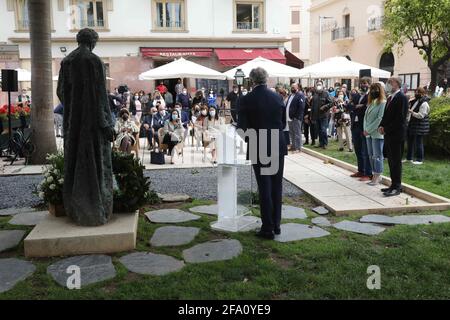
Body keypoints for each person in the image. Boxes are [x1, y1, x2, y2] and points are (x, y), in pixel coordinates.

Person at [57, 28, 115, 226]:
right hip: (92, 124)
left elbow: (61, 93)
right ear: (92, 41)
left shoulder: (66, 61)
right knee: (95, 163)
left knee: (74, 162)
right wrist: (106, 123)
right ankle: (95, 211)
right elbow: (100, 96)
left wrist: (75, 107)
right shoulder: (93, 61)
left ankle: (76, 210)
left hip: (73, 123)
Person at [238, 67, 287, 240]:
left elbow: (242, 129)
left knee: (264, 186)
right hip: (276, 142)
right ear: (266, 78)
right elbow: (282, 122)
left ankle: (267, 228)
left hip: (258, 143)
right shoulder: (278, 97)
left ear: (252, 80)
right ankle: (276, 225)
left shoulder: (246, 99)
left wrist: (250, 139)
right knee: (276, 185)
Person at [378, 76, 409, 197]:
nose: (388, 84)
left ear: (397, 84)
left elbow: (400, 119)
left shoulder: (402, 98)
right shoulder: (391, 97)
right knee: (391, 161)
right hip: (389, 134)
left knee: (396, 161)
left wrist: (386, 128)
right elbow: (386, 115)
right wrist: (381, 125)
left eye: (390, 82)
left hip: (396, 134)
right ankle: (393, 184)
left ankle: (397, 186)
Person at [348, 77, 373, 181]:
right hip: (355, 125)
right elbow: (349, 106)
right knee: (358, 149)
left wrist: (359, 106)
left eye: (365, 83)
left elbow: (368, 107)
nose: (363, 85)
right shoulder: (356, 95)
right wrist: (356, 106)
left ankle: (368, 173)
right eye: (361, 83)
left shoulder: (371, 96)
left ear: (369, 84)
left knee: (365, 150)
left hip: (364, 125)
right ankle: (361, 170)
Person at [363, 83, 386, 186]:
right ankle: (374, 174)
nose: (373, 91)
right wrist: (365, 129)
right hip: (368, 133)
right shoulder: (371, 102)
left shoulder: (382, 102)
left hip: (376, 133)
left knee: (377, 156)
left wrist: (369, 129)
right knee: (371, 155)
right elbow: (365, 118)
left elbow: (379, 118)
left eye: (375, 89)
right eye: (372, 89)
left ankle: (377, 175)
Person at [406, 87, 430, 164]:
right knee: (410, 142)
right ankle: (409, 158)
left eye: (418, 92)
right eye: (415, 92)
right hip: (412, 124)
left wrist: (411, 112)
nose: (416, 94)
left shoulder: (424, 103)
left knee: (418, 142)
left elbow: (421, 115)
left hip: (420, 125)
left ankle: (419, 159)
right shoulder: (415, 101)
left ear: (423, 94)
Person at [311, 80, 332, 149]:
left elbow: (331, 103)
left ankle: (325, 143)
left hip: (324, 115)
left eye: (320, 84)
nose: (318, 86)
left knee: (323, 130)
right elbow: (313, 106)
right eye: (317, 85)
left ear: (322, 85)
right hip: (316, 116)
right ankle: (320, 143)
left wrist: (324, 107)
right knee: (319, 130)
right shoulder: (315, 94)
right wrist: (312, 117)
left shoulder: (326, 93)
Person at [286, 83, 305, 153]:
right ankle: (293, 146)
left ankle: (298, 148)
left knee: (297, 133)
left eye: (293, 87)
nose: (292, 89)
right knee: (291, 133)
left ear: (297, 87)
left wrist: (297, 116)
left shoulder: (300, 95)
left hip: (296, 118)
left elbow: (301, 107)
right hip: (289, 117)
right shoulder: (291, 95)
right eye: (291, 87)